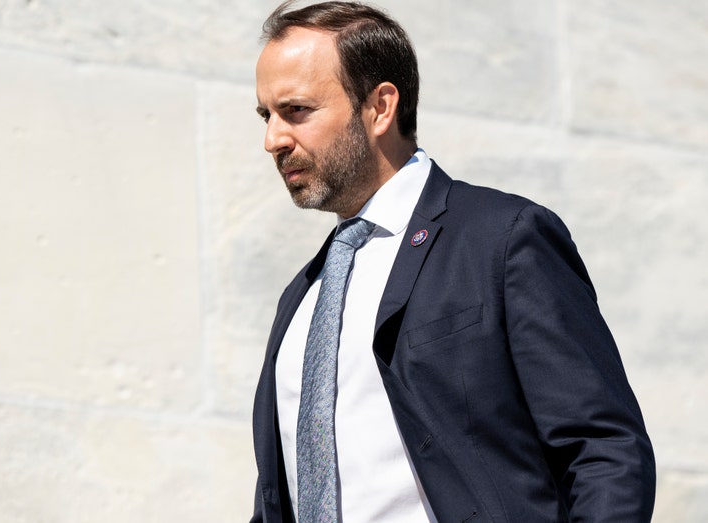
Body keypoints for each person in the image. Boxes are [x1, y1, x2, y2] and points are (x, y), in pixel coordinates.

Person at [249, 2, 656, 522]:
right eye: (267, 116)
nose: (273, 140)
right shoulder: (302, 298)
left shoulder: (501, 239)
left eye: (296, 110)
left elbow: (604, 450)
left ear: (380, 107)